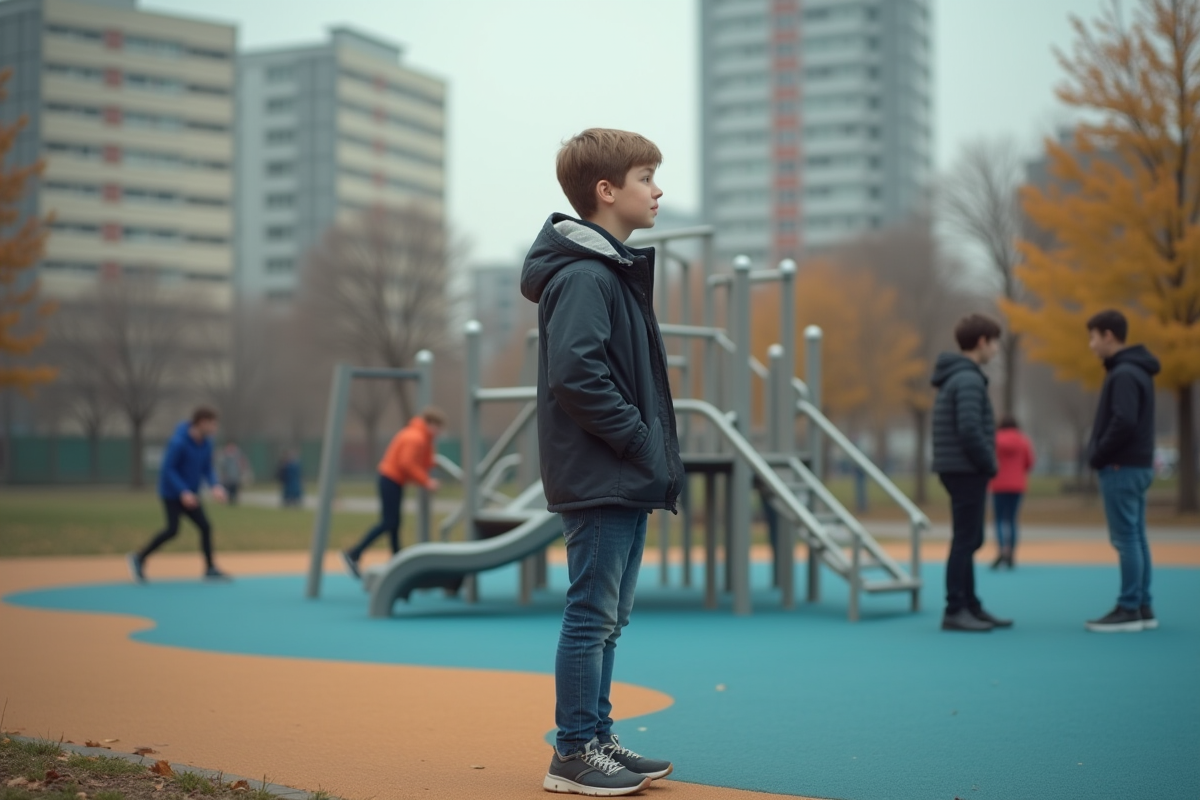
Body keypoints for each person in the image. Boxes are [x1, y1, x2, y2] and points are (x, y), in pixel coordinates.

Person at [520, 128, 680, 796]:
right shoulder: (586, 274)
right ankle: (574, 751)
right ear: (606, 191)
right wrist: (639, 442)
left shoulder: (608, 271)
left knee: (609, 618)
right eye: (647, 177)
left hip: (617, 473)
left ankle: (598, 736)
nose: (658, 190)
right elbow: (578, 374)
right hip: (603, 472)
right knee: (591, 615)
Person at [930, 313, 1012, 632]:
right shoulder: (968, 379)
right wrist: (990, 462)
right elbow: (969, 429)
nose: (995, 350)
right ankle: (955, 608)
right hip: (965, 469)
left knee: (969, 537)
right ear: (982, 342)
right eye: (994, 343)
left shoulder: (958, 377)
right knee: (966, 539)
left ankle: (970, 604)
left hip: (958, 468)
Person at [1083, 309, 1161, 633]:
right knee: (1136, 535)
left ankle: (1129, 607)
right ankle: (1141, 605)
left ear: (1108, 336)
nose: (1091, 345)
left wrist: (1100, 454)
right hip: (1137, 464)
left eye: (1093, 337)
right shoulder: (1136, 371)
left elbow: (1124, 420)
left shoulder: (1124, 373)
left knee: (1126, 537)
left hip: (1122, 465)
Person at [127, 407, 229, 583]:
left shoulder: (206, 443)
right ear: (202, 423)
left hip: (191, 494)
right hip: (172, 494)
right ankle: (139, 557)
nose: (214, 429)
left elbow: (207, 467)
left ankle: (210, 568)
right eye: (212, 425)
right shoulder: (178, 442)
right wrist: (183, 491)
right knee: (172, 530)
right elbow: (168, 470)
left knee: (205, 526)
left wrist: (215, 486)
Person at [340, 407, 445, 578]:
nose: (439, 432)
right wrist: (427, 482)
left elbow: (425, 461)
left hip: (392, 480)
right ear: (431, 424)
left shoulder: (419, 436)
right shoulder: (415, 438)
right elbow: (407, 463)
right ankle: (354, 553)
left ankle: (397, 560)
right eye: (438, 428)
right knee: (389, 522)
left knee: (394, 523)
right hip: (391, 479)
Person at [990, 416, 1035, 570]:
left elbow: (988, 459)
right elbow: (1029, 463)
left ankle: (1003, 549)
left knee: (1000, 520)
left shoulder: (995, 440)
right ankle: (1012, 553)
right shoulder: (1023, 441)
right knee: (1012, 519)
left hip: (998, 485)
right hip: (1017, 485)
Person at [217, 442, 250, 506]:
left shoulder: (238, 455)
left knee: (235, 491)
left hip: (235, 477)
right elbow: (221, 466)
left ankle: (234, 502)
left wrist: (242, 471)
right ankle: (227, 501)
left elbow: (243, 464)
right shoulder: (224, 456)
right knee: (227, 491)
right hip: (227, 478)